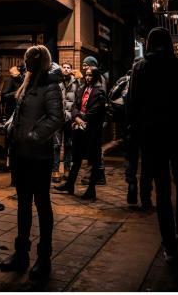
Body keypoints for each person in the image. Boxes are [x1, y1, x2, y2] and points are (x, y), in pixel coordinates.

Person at [127, 27, 178, 264]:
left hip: (152, 137)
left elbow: (132, 103)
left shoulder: (140, 67)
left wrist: (135, 130)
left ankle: (169, 245)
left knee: (163, 190)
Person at [1, 45, 64, 282]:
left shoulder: (50, 85)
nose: (24, 64)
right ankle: (21, 253)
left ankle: (44, 257)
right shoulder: (29, 83)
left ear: (37, 62)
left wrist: (33, 136)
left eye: (28, 60)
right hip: (21, 154)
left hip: (39, 155)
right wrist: (10, 126)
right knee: (23, 204)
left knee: (42, 204)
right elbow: (20, 112)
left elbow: (57, 117)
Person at [55, 66, 106, 201]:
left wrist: (80, 118)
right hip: (79, 129)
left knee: (94, 161)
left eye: (90, 75)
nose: (88, 77)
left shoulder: (99, 91)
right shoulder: (81, 88)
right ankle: (69, 184)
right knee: (76, 158)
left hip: (92, 131)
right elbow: (74, 106)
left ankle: (91, 190)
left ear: (95, 76)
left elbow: (94, 112)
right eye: (86, 75)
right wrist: (77, 118)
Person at [108, 57, 153, 209]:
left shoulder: (124, 79)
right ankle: (146, 196)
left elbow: (112, 96)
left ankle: (131, 184)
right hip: (147, 127)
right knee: (147, 161)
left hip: (129, 126)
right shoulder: (149, 81)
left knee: (131, 158)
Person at [80, 56, 107, 185]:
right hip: (91, 119)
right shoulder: (91, 79)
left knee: (96, 149)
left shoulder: (99, 79)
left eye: (86, 65)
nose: (84, 67)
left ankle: (98, 176)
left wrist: (85, 116)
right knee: (94, 149)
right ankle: (97, 176)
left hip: (95, 120)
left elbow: (100, 100)